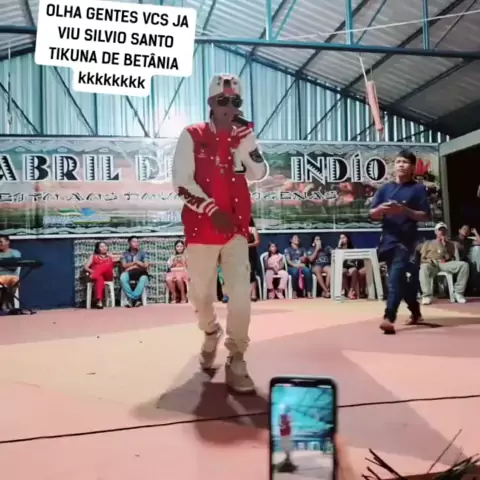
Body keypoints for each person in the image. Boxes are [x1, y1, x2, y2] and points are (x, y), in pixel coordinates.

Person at [172, 73, 268, 393]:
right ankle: (211, 331)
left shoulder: (242, 135)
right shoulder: (192, 134)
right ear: (211, 102)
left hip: (236, 230)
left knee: (240, 295)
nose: (229, 106)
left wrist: (247, 142)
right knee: (201, 296)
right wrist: (212, 210)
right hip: (201, 228)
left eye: (235, 101)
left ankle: (237, 356)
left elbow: (259, 172)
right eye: (223, 100)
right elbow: (181, 181)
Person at [370, 150, 431, 334]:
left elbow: (426, 215)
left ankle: (389, 317)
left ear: (412, 167)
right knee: (400, 281)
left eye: (405, 162)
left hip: (406, 242)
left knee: (395, 278)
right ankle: (416, 312)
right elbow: (372, 214)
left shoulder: (418, 189)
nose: (400, 165)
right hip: (388, 241)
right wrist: (380, 209)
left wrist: (404, 210)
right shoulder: (385, 189)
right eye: (398, 162)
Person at [419, 222, 469, 304]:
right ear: (435, 232)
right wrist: (429, 261)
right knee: (424, 267)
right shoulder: (428, 243)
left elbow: (449, 258)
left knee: (464, 265)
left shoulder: (451, 244)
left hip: (444, 263)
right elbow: (422, 258)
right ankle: (427, 295)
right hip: (431, 263)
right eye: (440, 230)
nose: (442, 232)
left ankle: (458, 293)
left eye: (444, 230)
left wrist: (444, 246)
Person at [84, 242, 119, 309]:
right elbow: (86, 267)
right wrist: (92, 271)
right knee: (99, 278)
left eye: (105, 246)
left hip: (108, 275)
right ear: (98, 249)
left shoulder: (110, 256)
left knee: (107, 264)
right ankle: (99, 301)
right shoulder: (93, 256)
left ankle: (95, 274)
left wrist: (111, 256)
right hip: (98, 276)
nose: (104, 248)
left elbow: (121, 257)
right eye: (101, 246)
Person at [120, 236, 149, 308]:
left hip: (141, 273)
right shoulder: (125, 254)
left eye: (137, 241)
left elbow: (146, 265)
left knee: (143, 279)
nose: (136, 243)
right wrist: (135, 263)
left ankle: (131, 299)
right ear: (129, 243)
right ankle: (136, 299)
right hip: (129, 273)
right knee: (123, 277)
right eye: (134, 241)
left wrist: (134, 266)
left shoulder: (143, 253)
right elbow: (124, 266)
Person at [337, 233, 362, 300]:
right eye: (340, 238)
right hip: (343, 266)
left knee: (354, 270)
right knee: (343, 271)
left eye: (343, 238)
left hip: (351, 266)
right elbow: (337, 258)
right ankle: (348, 292)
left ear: (347, 239)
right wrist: (339, 246)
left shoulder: (353, 248)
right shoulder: (338, 249)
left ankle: (351, 290)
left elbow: (356, 259)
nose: (342, 239)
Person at [0, 235, 21, 308]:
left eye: (1, 242)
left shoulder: (15, 252)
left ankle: (5, 303)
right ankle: (5, 304)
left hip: (11, 276)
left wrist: (2, 264)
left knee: (15, 280)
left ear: (7, 242)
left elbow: (14, 266)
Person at [248, 218, 260, 301]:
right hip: (241, 253)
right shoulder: (239, 230)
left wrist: (248, 245)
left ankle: (253, 294)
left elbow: (257, 242)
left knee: (251, 272)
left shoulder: (253, 229)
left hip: (251, 253)